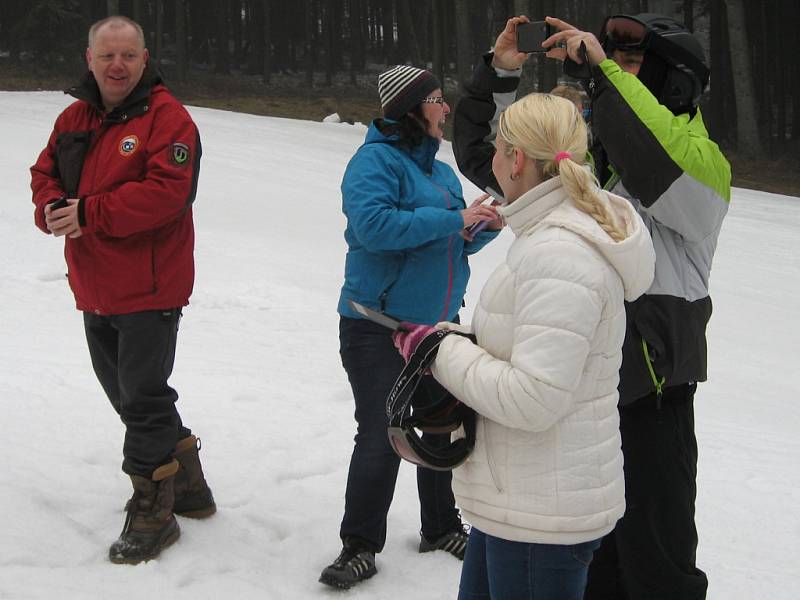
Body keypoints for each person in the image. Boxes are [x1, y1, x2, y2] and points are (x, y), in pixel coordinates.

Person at [453, 13, 731, 600]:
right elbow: (498, 157)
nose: (611, 74)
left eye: (631, 66)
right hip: (585, 406)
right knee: (596, 574)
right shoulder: (598, 168)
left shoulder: (700, 166)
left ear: (676, 85)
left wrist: (603, 72)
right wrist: (500, 73)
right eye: (614, 65)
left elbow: (653, 151)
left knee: (659, 571)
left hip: (654, 402)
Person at [393, 91, 656, 599]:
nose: (490, 159)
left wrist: (442, 353)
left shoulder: (562, 255)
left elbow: (535, 397)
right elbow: (529, 349)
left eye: (497, 148)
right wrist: (448, 338)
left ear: (516, 160)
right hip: (515, 501)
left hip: (542, 518)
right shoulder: (546, 238)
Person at [30, 15, 214, 565]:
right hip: (93, 283)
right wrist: (52, 210)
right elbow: (44, 174)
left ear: (144, 58)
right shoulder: (74, 117)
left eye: (127, 56)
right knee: (130, 396)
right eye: (107, 55)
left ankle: (152, 508)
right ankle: (190, 486)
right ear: (89, 58)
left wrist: (88, 213)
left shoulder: (169, 119)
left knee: (140, 397)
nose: (117, 65)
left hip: (151, 287)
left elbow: (166, 195)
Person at [318, 64, 502, 590]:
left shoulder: (440, 172)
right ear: (411, 109)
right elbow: (374, 229)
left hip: (439, 327)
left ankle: (441, 527)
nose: (446, 109)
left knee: (443, 426)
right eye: (438, 99)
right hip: (378, 327)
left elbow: (448, 242)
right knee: (381, 433)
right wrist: (453, 220)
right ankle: (358, 546)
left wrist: (479, 227)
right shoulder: (373, 162)